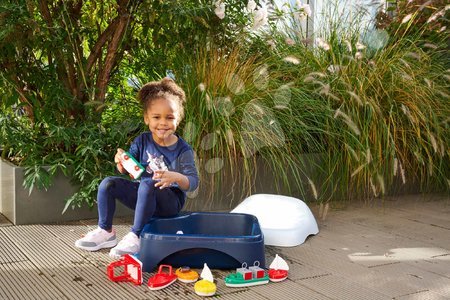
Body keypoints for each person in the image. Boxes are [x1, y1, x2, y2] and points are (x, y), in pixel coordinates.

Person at [75, 78, 199, 258]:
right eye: (156, 117)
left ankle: (136, 235)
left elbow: (193, 182)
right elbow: (133, 171)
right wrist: (122, 162)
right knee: (108, 183)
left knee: (149, 184)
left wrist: (175, 177)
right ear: (147, 118)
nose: (163, 122)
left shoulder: (183, 150)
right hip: (145, 195)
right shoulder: (142, 140)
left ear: (178, 119)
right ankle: (106, 231)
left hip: (169, 202)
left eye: (170, 117)